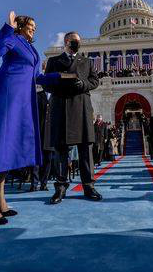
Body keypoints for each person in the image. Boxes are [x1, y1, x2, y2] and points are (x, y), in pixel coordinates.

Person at [0, 12, 60, 225]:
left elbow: (38, 77)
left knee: (9, 147)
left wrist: (61, 78)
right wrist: (8, 27)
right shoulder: (12, 38)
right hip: (6, 95)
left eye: (35, 26)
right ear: (20, 25)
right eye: (30, 25)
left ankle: (0, 198)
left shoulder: (32, 49)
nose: (34, 28)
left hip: (24, 100)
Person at [43, 31, 102, 204]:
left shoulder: (87, 62)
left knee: (85, 148)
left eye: (79, 41)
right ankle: (60, 187)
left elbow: (95, 81)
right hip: (61, 106)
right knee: (61, 149)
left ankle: (88, 186)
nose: (77, 43)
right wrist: (61, 85)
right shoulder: (54, 61)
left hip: (81, 106)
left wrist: (83, 84)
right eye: (74, 41)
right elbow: (46, 84)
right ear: (66, 42)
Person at [29, 82, 53, 192]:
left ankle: (44, 183)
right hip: (38, 132)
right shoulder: (38, 96)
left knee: (48, 160)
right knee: (36, 160)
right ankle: (34, 183)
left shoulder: (55, 97)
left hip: (50, 135)